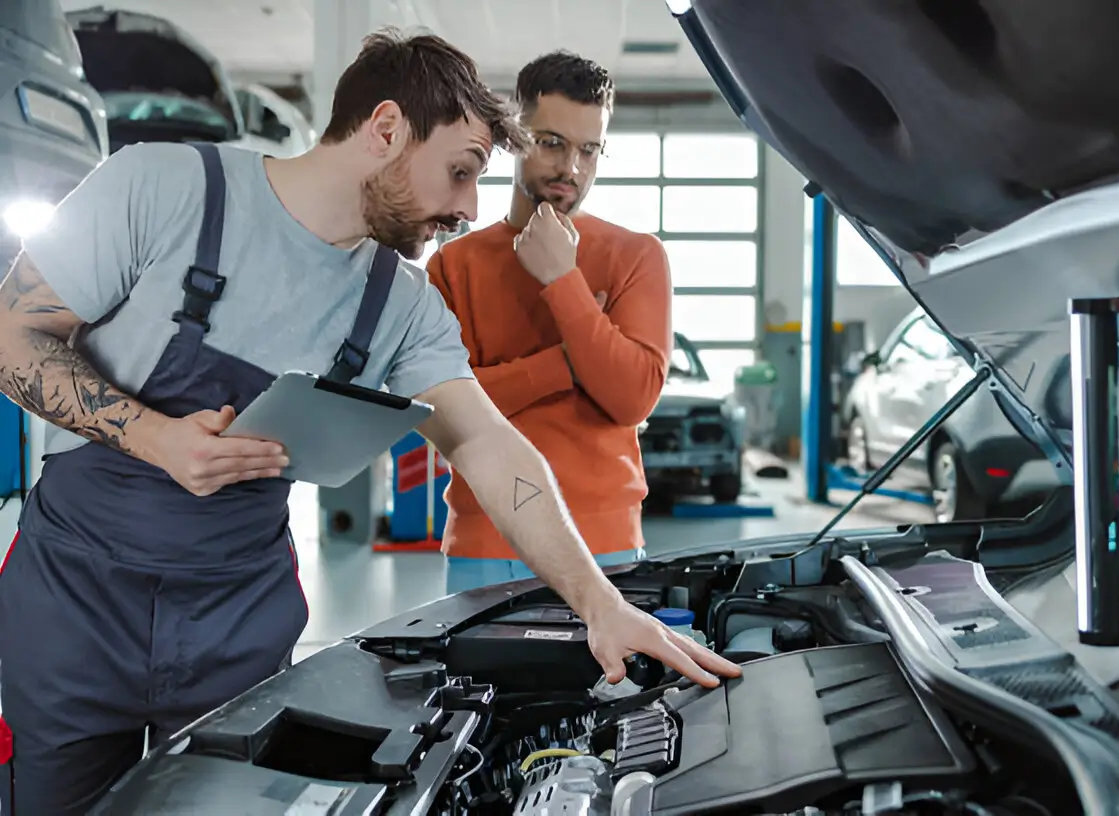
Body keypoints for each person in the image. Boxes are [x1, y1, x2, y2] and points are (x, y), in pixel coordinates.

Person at [0, 31, 738, 815]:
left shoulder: (401, 303)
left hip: (234, 622)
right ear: (385, 128)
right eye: (460, 172)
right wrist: (156, 439)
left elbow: (486, 443)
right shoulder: (162, 186)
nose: (468, 209)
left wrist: (601, 604)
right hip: (76, 607)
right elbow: (12, 334)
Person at [427, 51, 672, 594]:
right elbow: (446, 415)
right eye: (552, 143)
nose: (572, 169)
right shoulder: (453, 265)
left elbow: (631, 397)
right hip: (485, 541)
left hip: (605, 543)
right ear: (514, 136)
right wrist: (569, 363)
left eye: (590, 150)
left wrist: (562, 279)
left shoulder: (636, 257)